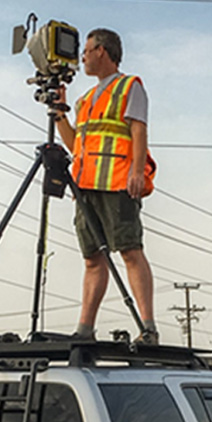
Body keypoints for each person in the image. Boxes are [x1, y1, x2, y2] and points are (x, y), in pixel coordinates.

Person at [54, 28, 159, 345]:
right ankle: (85, 329)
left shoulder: (130, 86)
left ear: (102, 50)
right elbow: (77, 145)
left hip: (118, 183)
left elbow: (138, 130)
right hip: (86, 187)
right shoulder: (85, 100)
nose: (82, 57)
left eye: (86, 50)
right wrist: (60, 115)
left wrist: (137, 172)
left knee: (130, 251)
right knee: (92, 259)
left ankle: (148, 327)